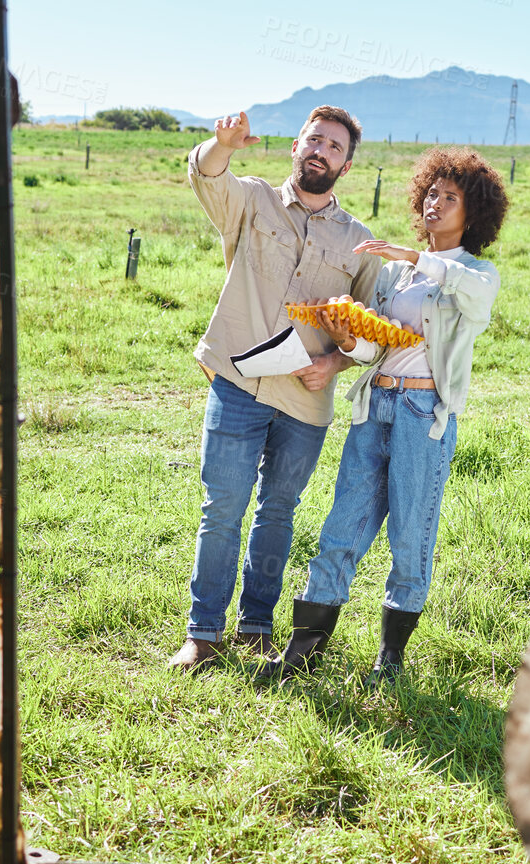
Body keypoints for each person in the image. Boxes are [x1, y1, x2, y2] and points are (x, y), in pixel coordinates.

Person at [268, 146, 508, 682]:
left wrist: (416, 256)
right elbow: (373, 348)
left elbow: (474, 299)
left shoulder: (476, 274)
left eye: (450, 198)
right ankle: (302, 652)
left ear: (475, 213)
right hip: (376, 403)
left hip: (424, 413)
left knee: (410, 532)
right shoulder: (394, 277)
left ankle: (390, 659)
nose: (435, 204)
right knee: (342, 525)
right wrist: (345, 337)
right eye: (430, 193)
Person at [170, 105, 385, 671]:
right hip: (240, 381)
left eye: (335, 147)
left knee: (278, 512)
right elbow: (206, 175)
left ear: (347, 164)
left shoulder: (360, 243)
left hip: (305, 402)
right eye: (314, 140)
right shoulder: (253, 200)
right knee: (223, 508)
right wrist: (223, 145)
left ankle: (256, 628)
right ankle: (203, 634)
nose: (322, 151)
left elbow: (370, 332)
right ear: (295, 146)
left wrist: (335, 364)